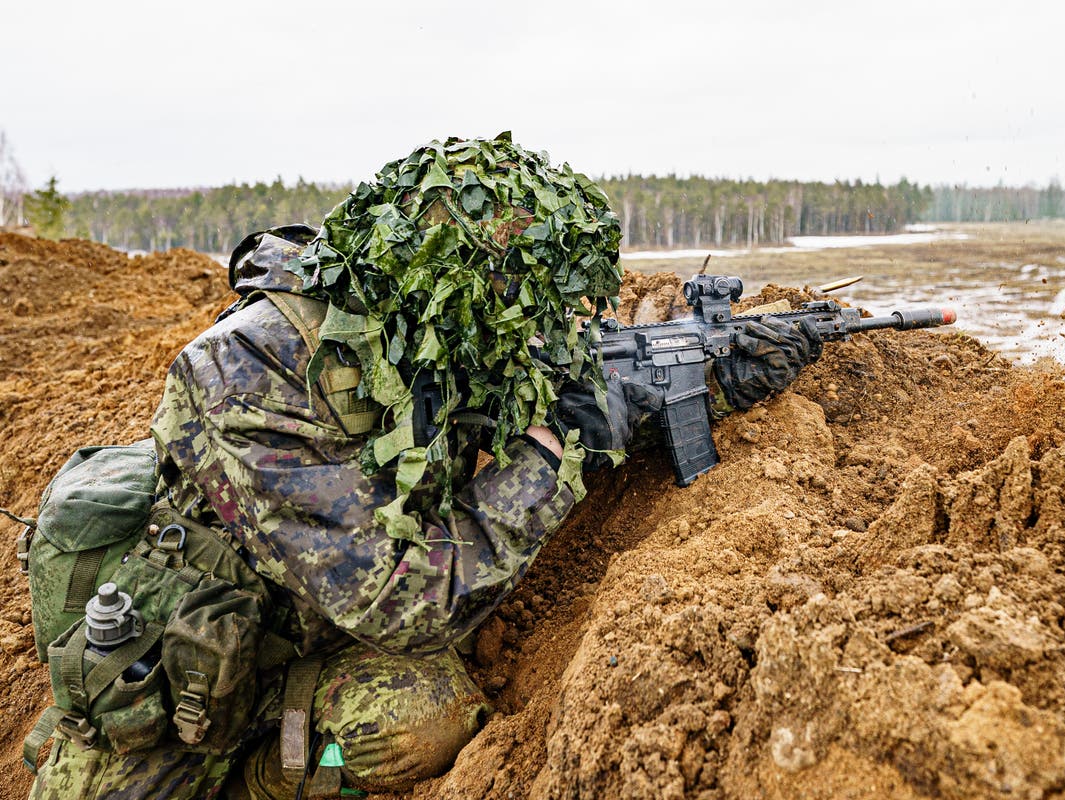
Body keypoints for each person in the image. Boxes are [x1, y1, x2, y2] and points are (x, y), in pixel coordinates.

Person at [28, 135, 821, 799]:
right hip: (199, 660)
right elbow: (404, 605)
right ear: (454, 279)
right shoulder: (248, 375)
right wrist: (554, 452)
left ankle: (278, 771)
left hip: (318, 616)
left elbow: (570, 389)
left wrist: (708, 379)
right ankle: (212, 769)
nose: (544, 323)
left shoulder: (430, 324)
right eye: (525, 294)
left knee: (417, 715)